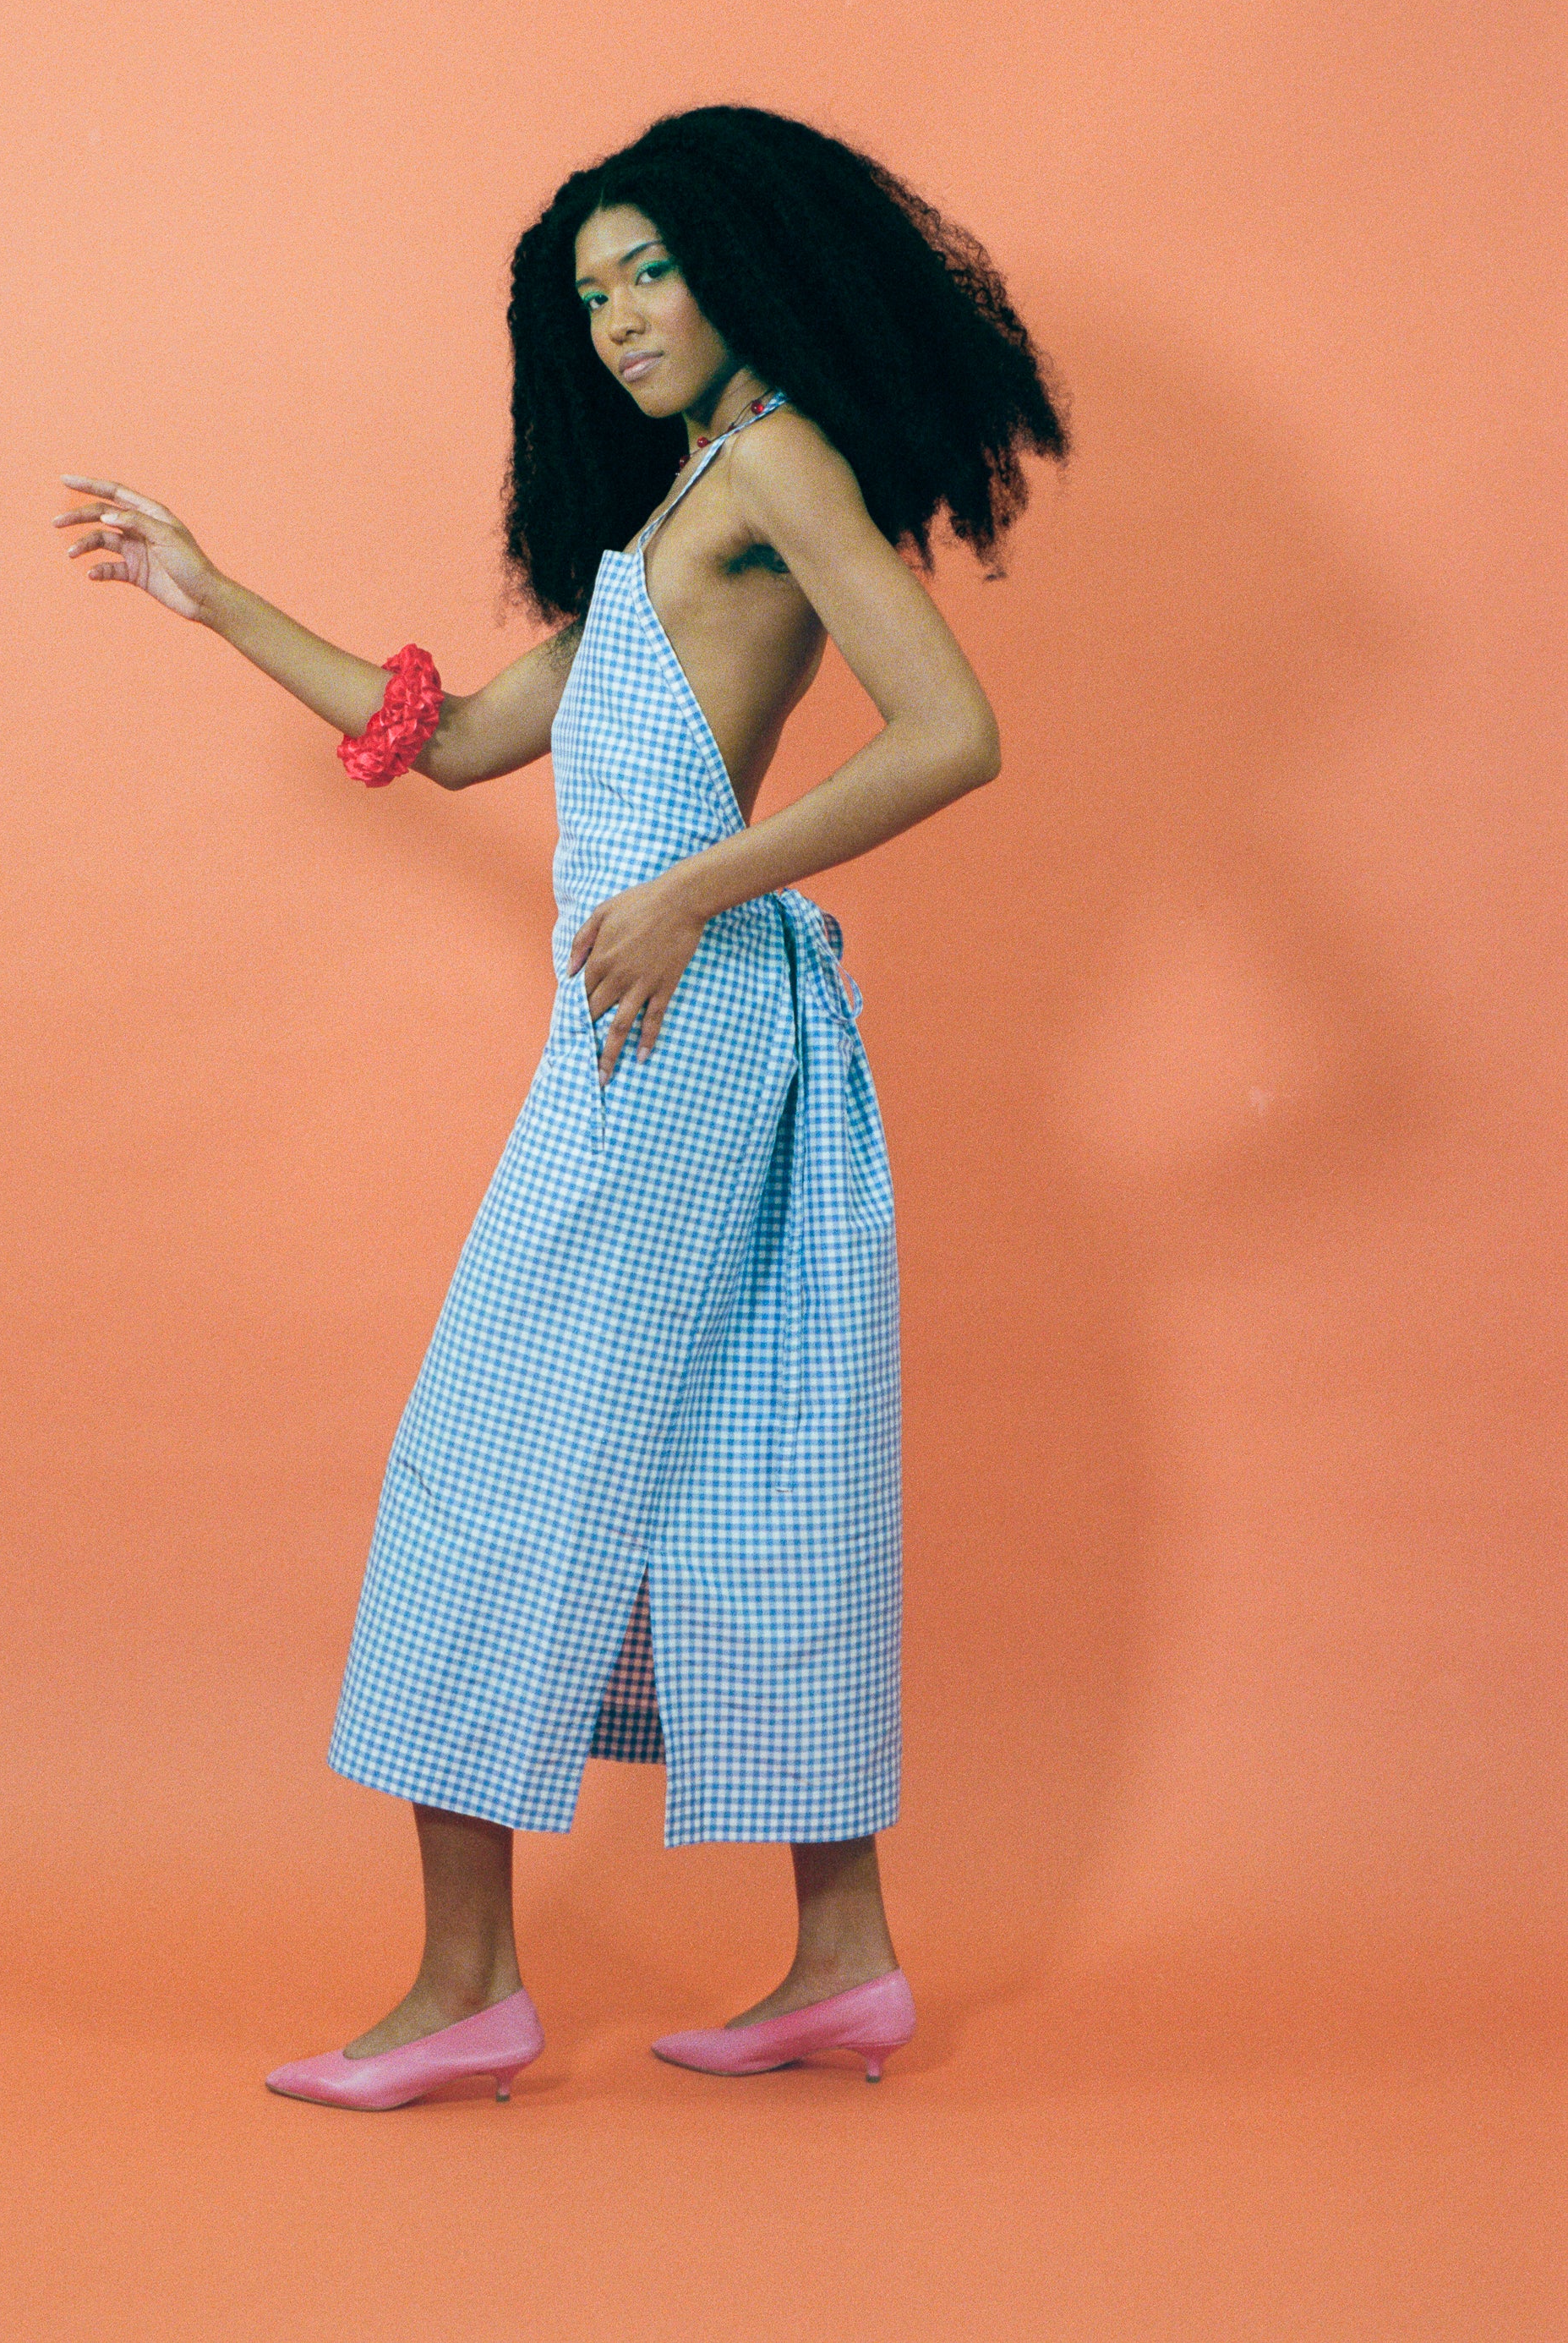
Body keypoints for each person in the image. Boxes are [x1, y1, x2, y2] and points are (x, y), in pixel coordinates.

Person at [53, 103, 1070, 2108]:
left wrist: (694, 888)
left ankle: (466, 1989)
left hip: (676, 1019)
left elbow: (955, 729)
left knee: (486, 1461)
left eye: (653, 272)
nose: (621, 318)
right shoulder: (682, 505)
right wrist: (211, 590)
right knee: (752, 1469)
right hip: (692, 1024)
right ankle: (843, 1961)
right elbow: (449, 743)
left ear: (741, 269)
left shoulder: (773, 462)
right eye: (592, 294)